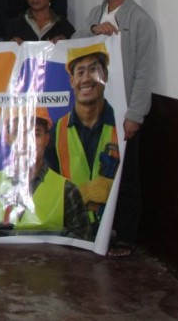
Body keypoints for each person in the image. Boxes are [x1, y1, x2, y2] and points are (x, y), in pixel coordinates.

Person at [76, 0, 157, 257]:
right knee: (99, 171)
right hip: (95, 111)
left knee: (127, 177)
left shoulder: (139, 20)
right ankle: (101, 227)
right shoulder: (95, 15)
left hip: (124, 113)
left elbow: (144, 72)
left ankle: (125, 236)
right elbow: (74, 42)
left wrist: (135, 115)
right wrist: (94, 30)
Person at [0, 110, 90, 240]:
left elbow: (82, 244)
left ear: (47, 139)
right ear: (7, 138)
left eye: (35, 134)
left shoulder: (68, 191)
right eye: (17, 133)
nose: (25, 142)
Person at [47, 43, 121, 241]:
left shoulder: (121, 126)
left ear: (105, 76)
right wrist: (80, 196)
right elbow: (48, 188)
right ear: (72, 81)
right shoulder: (56, 131)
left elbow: (131, 189)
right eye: (80, 72)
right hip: (70, 232)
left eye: (93, 70)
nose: (87, 78)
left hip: (111, 233)